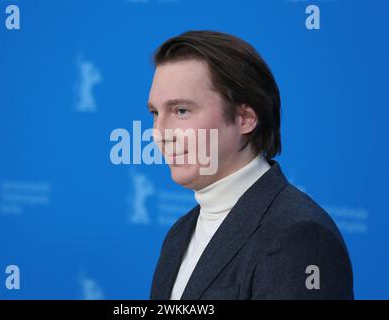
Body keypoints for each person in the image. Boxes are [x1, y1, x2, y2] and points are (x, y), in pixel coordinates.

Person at [148, 30, 353, 300]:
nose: (159, 133)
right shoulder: (180, 234)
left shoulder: (298, 236)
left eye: (181, 111)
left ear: (245, 118)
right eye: (154, 113)